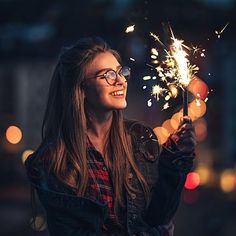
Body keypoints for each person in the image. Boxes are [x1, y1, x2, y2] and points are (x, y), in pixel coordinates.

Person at [25, 37, 196, 236]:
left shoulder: (140, 139)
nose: (121, 81)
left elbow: (158, 216)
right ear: (80, 89)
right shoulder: (53, 161)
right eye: (107, 75)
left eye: (120, 71)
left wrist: (175, 159)